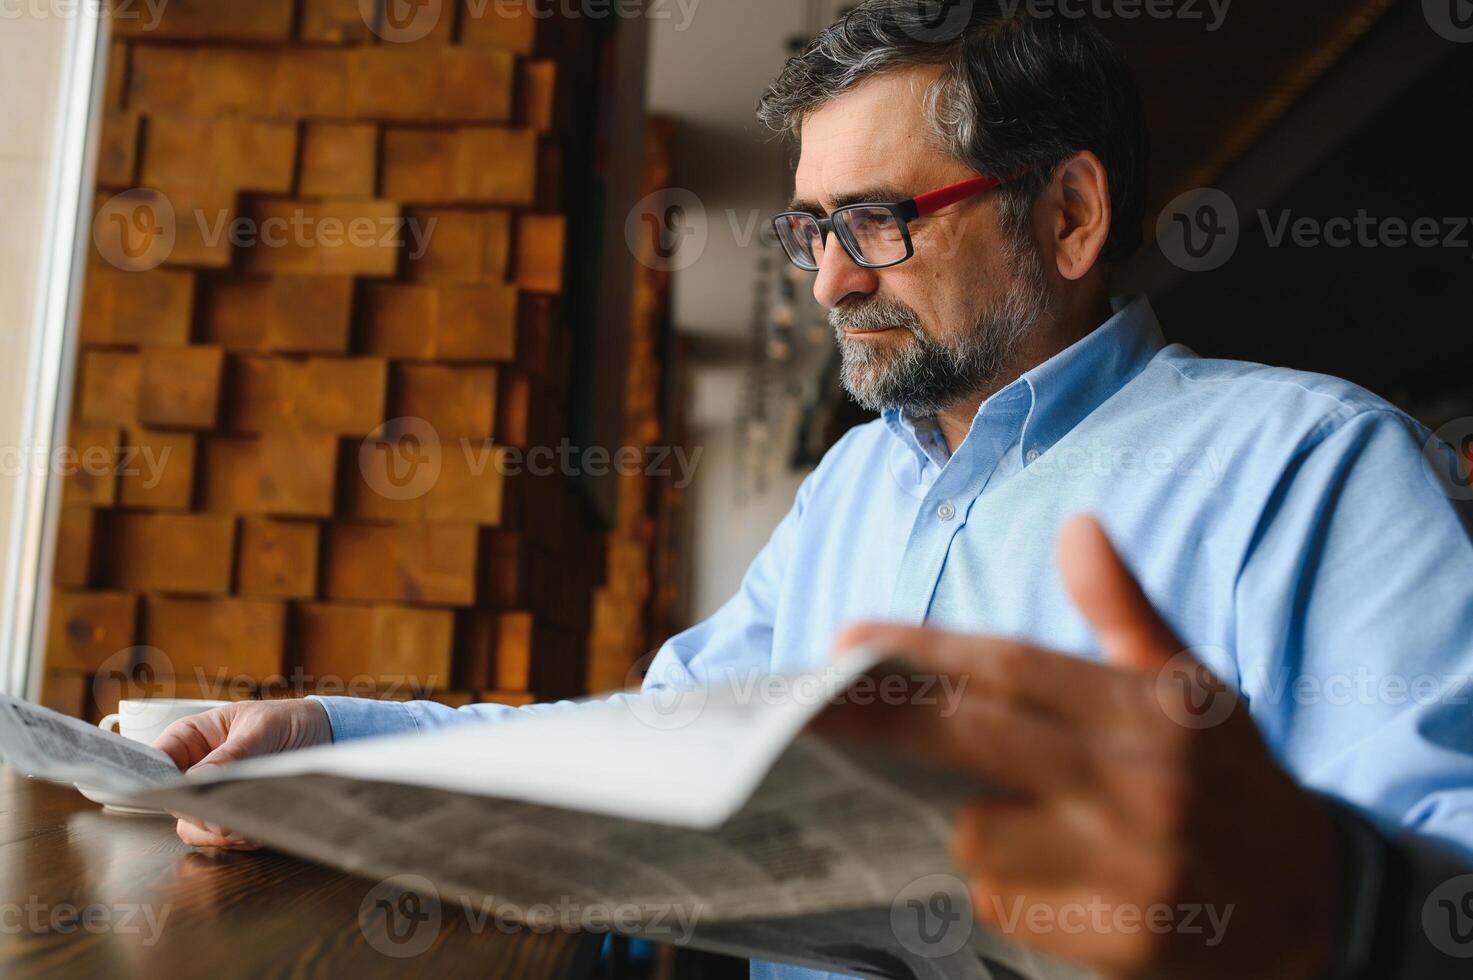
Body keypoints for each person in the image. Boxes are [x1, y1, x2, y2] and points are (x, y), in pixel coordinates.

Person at [155, 4, 1473, 977]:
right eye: (810, 230)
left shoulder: (1315, 467)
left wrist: (1305, 896)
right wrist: (333, 739)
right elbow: (641, 749)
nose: (833, 280)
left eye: (877, 221)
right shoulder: (853, 484)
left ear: (1068, 215)